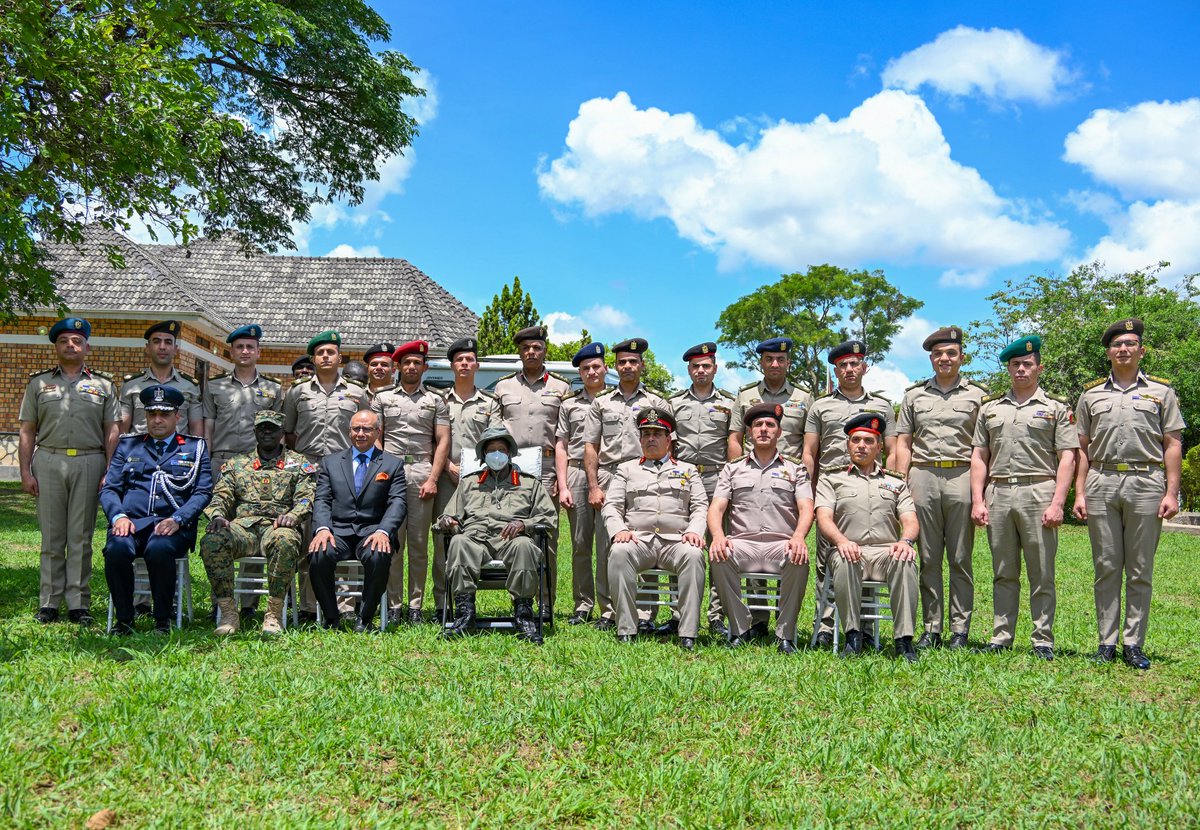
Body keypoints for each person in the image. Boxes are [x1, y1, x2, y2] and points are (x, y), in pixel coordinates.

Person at [1073, 318, 1185, 670]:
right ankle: (1106, 642)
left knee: (1139, 569)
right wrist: (1079, 493)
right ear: (1108, 352)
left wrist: (1172, 492)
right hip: (1101, 481)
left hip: (1146, 483)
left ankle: (1134, 642)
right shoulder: (1091, 395)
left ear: (1141, 350)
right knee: (1106, 567)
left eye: (1130, 343)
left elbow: (1172, 443)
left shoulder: (1162, 393)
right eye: (1117, 344)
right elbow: (1081, 448)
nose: (1123, 349)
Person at [971, 335, 1077, 660]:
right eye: (1015, 364)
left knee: (1041, 571)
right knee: (1003, 570)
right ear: (1008, 368)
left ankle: (1042, 639)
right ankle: (1001, 636)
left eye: (1027, 364)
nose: (1020, 369)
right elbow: (979, 455)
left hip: (1039, 491)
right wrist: (978, 499)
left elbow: (1068, 457)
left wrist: (1059, 502)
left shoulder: (1056, 408)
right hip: (999, 492)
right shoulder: (990, 409)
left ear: (1039, 367)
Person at [18, 317, 120, 625]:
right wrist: (25, 471)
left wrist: (110, 470)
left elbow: (112, 430)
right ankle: (48, 602)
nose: (70, 345)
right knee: (52, 537)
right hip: (49, 460)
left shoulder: (103, 385)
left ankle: (78, 603)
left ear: (87, 347)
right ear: (56, 347)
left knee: (81, 536)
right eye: (64, 341)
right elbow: (27, 430)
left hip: (90, 461)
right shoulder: (38, 383)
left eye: (76, 341)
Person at [893, 326, 986, 650]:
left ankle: (960, 631)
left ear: (961, 357)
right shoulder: (914, 396)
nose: (944, 359)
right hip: (923, 476)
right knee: (929, 557)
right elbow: (904, 442)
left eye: (950, 353)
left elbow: (983, 447)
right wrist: (900, 484)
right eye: (938, 354)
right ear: (931, 358)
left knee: (960, 557)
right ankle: (931, 628)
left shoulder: (978, 395)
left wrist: (980, 492)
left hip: (961, 475)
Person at [804, 339, 897, 647]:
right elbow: (810, 452)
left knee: (870, 552)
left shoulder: (882, 406)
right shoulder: (820, 406)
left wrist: (894, 489)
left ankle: (867, 628)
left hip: (873, 489)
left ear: (864, 367)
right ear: (835, 369)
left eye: (854, 363)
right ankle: (827, 624)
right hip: (833, 489)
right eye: (842, 365)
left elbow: (894, 451)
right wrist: (808, 491)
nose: (849, 369)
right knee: (826, 559)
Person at [100, 385, 213, 634]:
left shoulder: (195, 448)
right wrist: (118, 516)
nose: (157, 420)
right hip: (131, 523)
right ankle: (124, 619)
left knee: (159, 549)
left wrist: (178, 519)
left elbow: (203, 491)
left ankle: (162, 620)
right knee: (116, 549)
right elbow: (110, 489)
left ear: (177, 417)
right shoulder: (129, 446)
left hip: (173, 525)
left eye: (164, 414)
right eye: (152, 415)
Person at [199, 410, 317, 635]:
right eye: (262, 428)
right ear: (254, 432)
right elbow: (221, 496)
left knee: (285, 540)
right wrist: (217, 516)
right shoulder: (237, 464)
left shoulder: (298, 463)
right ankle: (228, 613)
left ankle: (273, 614)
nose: (267, 433)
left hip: (279, 527)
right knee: (213, 540)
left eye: (272, 428)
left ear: (282, 432)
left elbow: (306, 497)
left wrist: (293, 515)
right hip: (245, 529)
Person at [708, 403, 814, 653]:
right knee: (719, 556)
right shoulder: (732, 468)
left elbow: (807, 507)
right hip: (744, 543)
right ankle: (740, 628)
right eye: (758, 425)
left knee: (799, 558)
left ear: (779, 432)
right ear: (749, 432)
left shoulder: (794, 469)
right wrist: (718, 536)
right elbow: (716, 508)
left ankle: (785, 634)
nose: (764, 429)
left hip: (781, 543)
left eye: (770, 425)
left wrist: (799, 537)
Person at [815, 412, 920, 661]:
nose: (861, 446)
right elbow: (824, 518)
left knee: (905, 559)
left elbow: (910, 519)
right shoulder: (832, 478)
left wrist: (905, 541)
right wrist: (841, 541)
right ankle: (853, 637)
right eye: (856, 440)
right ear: (848, 444)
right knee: (846, 558)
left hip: (886, 551)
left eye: (869, 441)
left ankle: (904, 641)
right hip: (849, 549)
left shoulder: (895, 482)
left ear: (879, 446)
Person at [438, 427, 557, 644]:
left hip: (511, 539)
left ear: (510, 453)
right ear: (482, 456)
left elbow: (550, 518)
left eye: (501, 449)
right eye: (491, 450)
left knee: (525, 546)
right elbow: (448, 515)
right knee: (458, 542)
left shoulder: (529, 483)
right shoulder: (469, 483)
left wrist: (524, 524)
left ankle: (524, 615)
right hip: (476, 539)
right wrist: (447, 521)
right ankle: (465, 613)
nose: (496, 454)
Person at [602, 408, 709, 650]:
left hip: (676, 542)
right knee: (618, 552)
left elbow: (701, 506)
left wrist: (694, 531)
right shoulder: (627, 469)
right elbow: (611, 505)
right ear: (640, 439)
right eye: (646, 434)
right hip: (639, 541)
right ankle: (627, 629)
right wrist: (618, 530)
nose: (651, 438)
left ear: (669, 439)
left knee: (693, 555)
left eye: (657, 434)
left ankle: (688, 632)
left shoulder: (688, 469)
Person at [583, 337, 670, 629]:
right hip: (608, 475)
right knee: (607, 544)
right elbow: (591, 446)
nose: (628, 366)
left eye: (633, 361)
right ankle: (609, 610)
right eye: (622, 362)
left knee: (645, 541)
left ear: (642, 365)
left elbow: (671, 446)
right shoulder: (601, 402)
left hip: (645, 476)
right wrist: (594, 486)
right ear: (614, 367)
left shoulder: (656, 402)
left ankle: (644, 614)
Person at [282, 330, 368, 620]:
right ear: (313, 358)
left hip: (345, 471)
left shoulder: (357, 393)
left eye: (331, 352)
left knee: (343, 533)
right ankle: (307, 606)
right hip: (306, 470)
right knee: (310, 538)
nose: (326, 356)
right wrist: (307, 459)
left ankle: (345, 607)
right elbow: (289, 433)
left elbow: (364, 430)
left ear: (340, 357)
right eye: (320, 353)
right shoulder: (298, 391)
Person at [201, 323, 283, 620]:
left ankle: (248, 604)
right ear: (231, 352)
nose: (245, 351)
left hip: (259, 468)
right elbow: (207, 430)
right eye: (239, 347)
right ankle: (219, 602)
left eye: (250, 347)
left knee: (255, 527)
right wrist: (206, 467)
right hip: (221, 463)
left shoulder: (273, 389)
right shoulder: (214, 386)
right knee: (220, 529)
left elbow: (278, 436)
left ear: (258, 351)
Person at [493, 325, 572, 616]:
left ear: (544, 351)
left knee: (546, 536)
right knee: (513, 530)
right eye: (526, 348)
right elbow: (493, 431)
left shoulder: (561, 388)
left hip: (547, 467)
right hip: (511, 469)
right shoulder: (503, 387)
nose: (531, 352)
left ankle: (546, 603)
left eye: (536, 348)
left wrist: (560, 478)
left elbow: (567, 435)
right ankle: (521, 600)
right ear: (520, 352)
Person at [372, 340, 450, 623]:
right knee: (393, 543)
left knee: (418, 545)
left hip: (421, 472)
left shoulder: (435, 400)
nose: (412, 367)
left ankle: (415, 605)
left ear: (424, 367)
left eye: (417, 363)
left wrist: (432, 478)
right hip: (390, 472)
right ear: (399, 367)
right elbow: (376, 437)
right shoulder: (382, 398)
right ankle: (394, 604)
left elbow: (442, 441)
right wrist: (380, 471)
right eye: (407, 363)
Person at [308, 410, 408, 631]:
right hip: (338, 532)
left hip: (372, 532)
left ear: (377, 432)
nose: (360, 433)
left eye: (367, 429)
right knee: (318, 555)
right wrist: (323, 529)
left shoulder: (392, 465)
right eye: (356, 429)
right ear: (349, 431)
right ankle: (332, 618)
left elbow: (398, 503)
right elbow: (322, 499)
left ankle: (365, 618)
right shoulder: (330, 463)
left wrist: (384, 531)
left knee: (378, 556)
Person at [668, 341, 736, 636]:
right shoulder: (674, 403)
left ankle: (717, 614)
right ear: (688, 370)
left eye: (706, 366)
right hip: (682, 480)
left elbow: (734, 444)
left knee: (719, 546)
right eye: (695, 366)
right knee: (681, 542)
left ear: (715, 369)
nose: (700, 371)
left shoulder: (729, 404)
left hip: (717, 478)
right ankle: (677, 612)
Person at [433, 337, 498, 621]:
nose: (464, 364)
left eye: (469, 360)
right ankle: (441, 603)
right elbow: (430, 439)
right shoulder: (438, 400)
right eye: (459, 360)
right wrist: (446, 465)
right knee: (443, 539)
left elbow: (496, 441)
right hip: (447, 476)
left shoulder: (490, 402)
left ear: (477, 365)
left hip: (481, 481)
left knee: (479, 535)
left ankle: (467, 600)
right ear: (452, 366)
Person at [555, 342, 610, 625]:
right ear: (580, 371)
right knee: (580, 543)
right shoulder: (569, 404)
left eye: (596, 367)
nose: (592, 372)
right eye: (586, 368)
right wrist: (563, 485)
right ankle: (583, 604)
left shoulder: (615, 401)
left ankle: (609, 606)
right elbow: (561, 445)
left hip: (610, 474)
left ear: (605, 368)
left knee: (608, 544)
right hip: (577, 473)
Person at [729, 337, 813, 459]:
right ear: (761, 363)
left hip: (791, 473)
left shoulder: (804, 397)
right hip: (750, 471)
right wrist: (735, 474)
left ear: (788, 363)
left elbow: (811, 446)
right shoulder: (745, 395)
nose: (775, 364)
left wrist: (807, 477)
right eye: (769, 359)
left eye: (780, 359)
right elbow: (735, 440)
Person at [119, 320, 203, 435]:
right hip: (139, 451)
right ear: (147, 348)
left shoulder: (191, 386)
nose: (162, 347)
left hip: (178, 451)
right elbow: (122, 428)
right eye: (157, 341)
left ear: (175, 349)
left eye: (168, 342)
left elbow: (196, 428)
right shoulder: (130, 385)